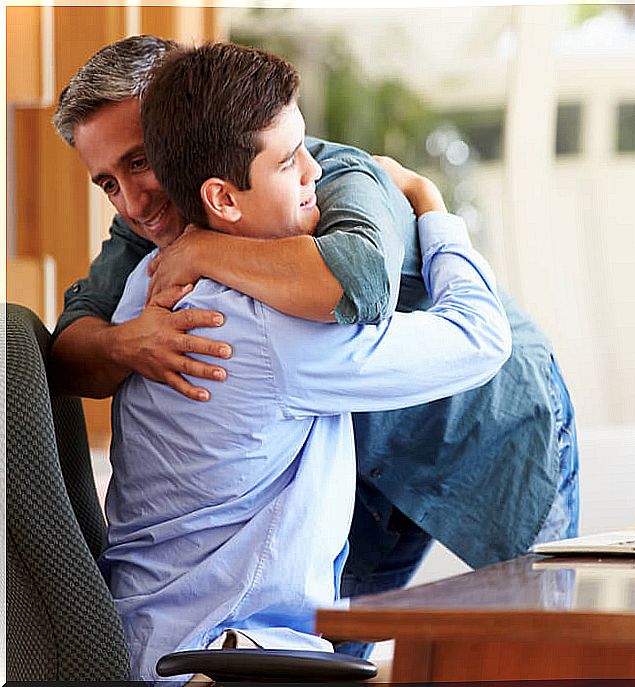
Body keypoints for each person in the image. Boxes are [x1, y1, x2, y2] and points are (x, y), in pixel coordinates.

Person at [51, 35, 579, 647]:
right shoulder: (154, 249)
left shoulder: (326, 177)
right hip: (320, 455)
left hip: (479, 419)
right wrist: (129, 342)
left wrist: (205, 247)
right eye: (108, 182)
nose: (135, 201)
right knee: (326, 641)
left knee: (544, 647)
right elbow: (68, 349)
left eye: (141, 161)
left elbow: (360, 286)